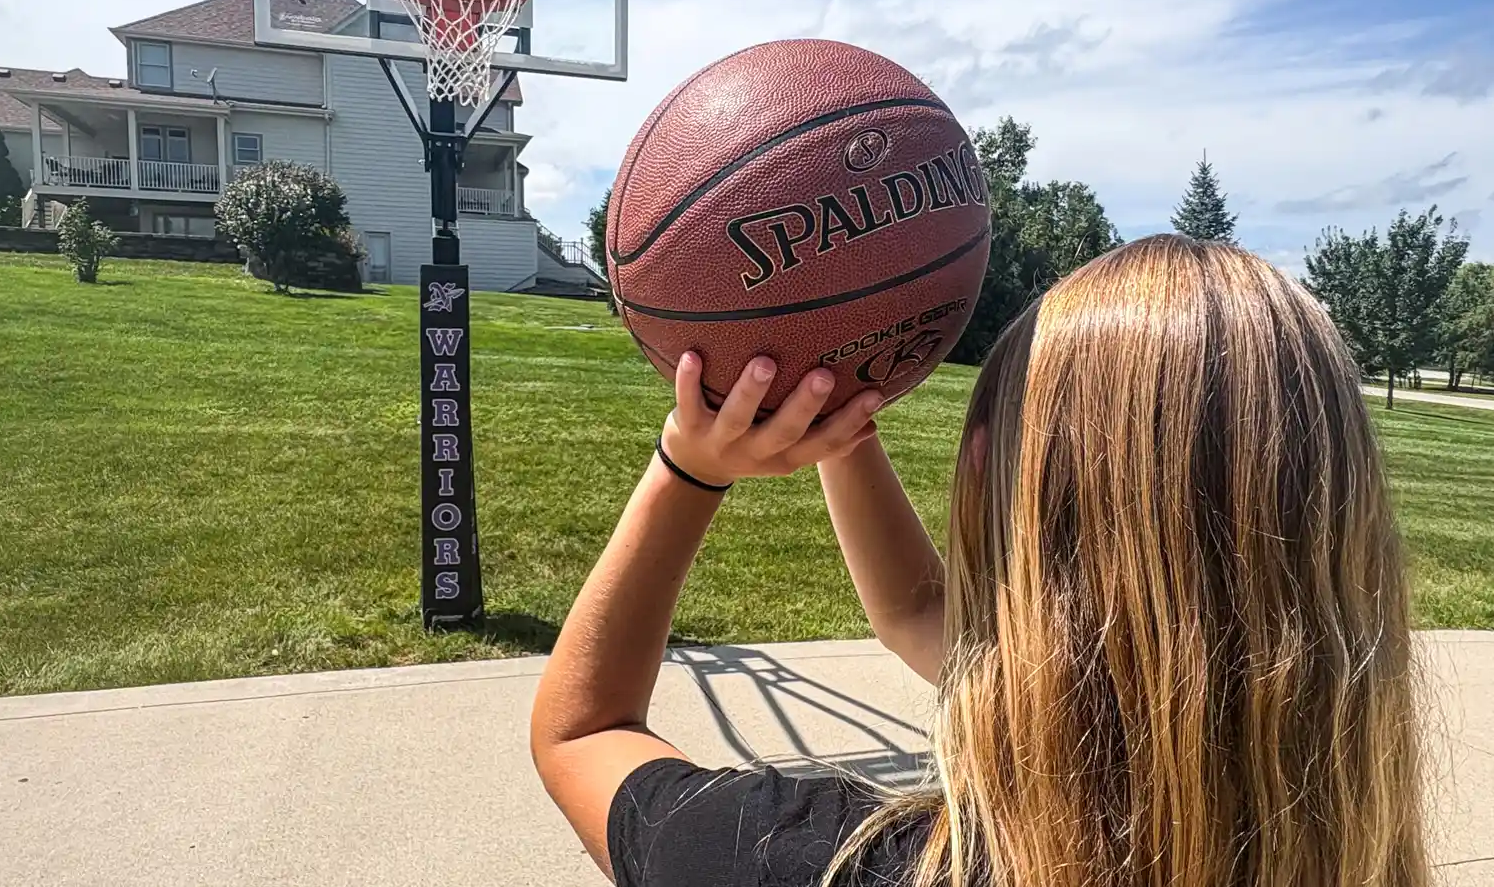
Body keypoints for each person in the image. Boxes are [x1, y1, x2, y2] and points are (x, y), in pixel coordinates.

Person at [530, 234, 1429, 887]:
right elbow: (922, 617)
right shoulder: (1347, 849)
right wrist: (844, 431)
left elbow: (583, 731)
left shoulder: (823, 863)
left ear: (988, 476)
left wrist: (689, 467)